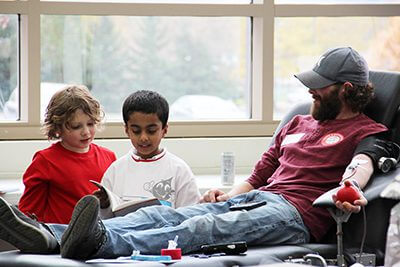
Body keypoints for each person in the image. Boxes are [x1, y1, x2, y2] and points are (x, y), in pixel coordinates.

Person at [0, 47, 391, 260]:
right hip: (260, 198)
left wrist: (350, 187)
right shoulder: (297, 123)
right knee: (163, 215)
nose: (311, 91)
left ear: (345, 88)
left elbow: (365, 162)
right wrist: (228, 196)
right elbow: (260, 174)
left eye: (321, 86)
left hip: (297, 213)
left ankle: (98, 244)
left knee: (200, 230)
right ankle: (50, 236)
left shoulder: (367, 130)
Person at [17, 85, 116, 224]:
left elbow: (115, 206)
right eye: (76, 126)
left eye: (91, 124)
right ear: (57, 128)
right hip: (61, 236)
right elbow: (29, 212)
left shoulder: (109, 157)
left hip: (101, 234)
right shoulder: (45, 160)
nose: (86, 132)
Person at [93, 90, 200, 218]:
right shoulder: (116, 170)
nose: (143, 137)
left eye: (151, 131)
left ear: (164, 130)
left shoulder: (179, 170)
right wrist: (104, 206)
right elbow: (104, 224)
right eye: (136, 131)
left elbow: (191, 217)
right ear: (127, 130)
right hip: (124, 237)